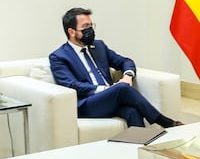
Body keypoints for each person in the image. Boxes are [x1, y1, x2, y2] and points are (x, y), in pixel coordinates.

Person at [49, 7, 183, 128]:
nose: (90, 30)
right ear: (72, 32)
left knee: (132, 111)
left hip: (111, 98)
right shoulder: (59, 56)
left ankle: (139, 149)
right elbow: (72, 85)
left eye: (91, 25)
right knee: (122, 88)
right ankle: (164, 122)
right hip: (86, 105)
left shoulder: (98, 46)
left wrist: (128, 76)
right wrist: (106, 89)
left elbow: (125, 61)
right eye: (85, 26)